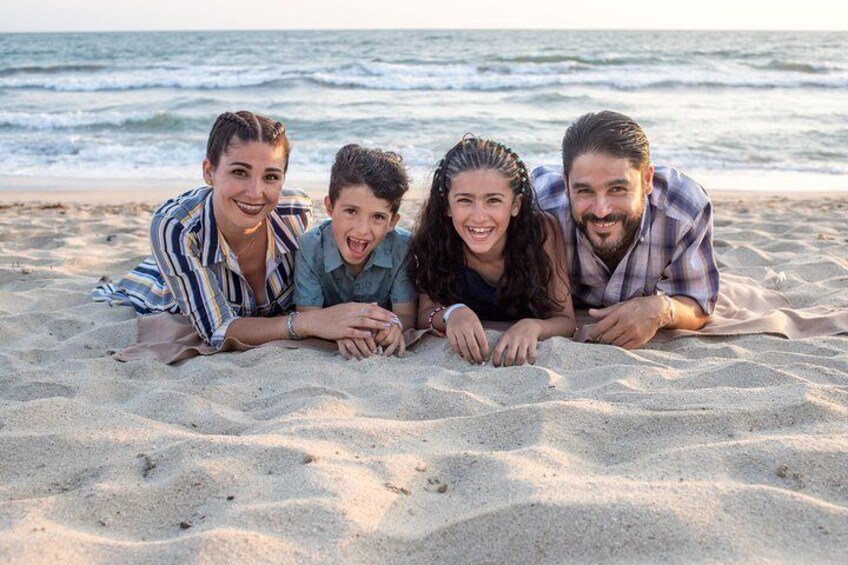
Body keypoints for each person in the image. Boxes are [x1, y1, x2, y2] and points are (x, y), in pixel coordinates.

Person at [92, 110, 396, 350]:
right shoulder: (176, 227)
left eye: (271, 176)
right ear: (209, 171)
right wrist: (308, 323)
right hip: (165, 289)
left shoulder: (296, 211)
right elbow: (218, 330)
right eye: (240, 172)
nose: (255, 192)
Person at [532, 110, 720, 350]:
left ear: (647, 180)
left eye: (617, 189)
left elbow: (698, 303)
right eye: (584, 191)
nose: (601, 210)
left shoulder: (683, 208)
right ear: (565, 183)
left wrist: (661, 309)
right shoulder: (539, 205)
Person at [411, 136, 575, 367]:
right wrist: (453, 313)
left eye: (493, 201)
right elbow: (424, 315)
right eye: (465, 200)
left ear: (515, 204)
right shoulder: (435, 238)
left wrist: (533, 326)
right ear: (447, 205)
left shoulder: (542, 232)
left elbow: (566, 320)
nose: (479, 216)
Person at [294, 144, 417, 360]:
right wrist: (340, 331)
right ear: (330, 208)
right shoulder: (309, 247)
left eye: (378, 217)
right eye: (351, 211)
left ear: (393, 222)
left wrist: (394, 326)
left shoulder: (402, 247)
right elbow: (310, 317)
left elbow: (406, 315)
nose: (362, 230)